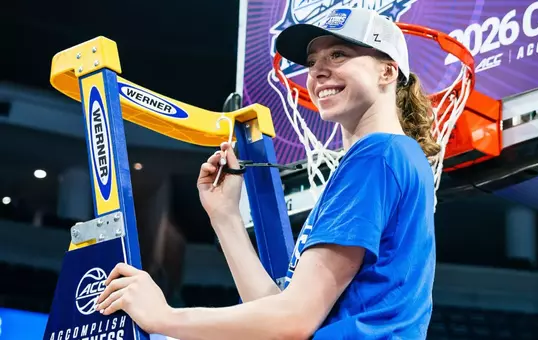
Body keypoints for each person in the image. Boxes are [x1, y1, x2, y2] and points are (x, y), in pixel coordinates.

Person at [95, 7, 440, 340]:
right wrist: (225, 216)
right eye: (312, 62)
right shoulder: (388, 157)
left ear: (387, 72)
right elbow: (278, 314)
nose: (318, 71)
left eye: (337, 54)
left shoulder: (378, 155)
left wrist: (165, 317)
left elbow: (293, 320)